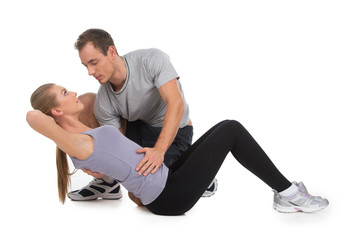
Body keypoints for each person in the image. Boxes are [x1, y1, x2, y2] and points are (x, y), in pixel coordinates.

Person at [27, 83, 329, 215]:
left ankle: (204, 183)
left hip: (164, 179)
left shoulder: (85, 133)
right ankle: (289, 195)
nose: (74, 91)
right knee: (231, 129)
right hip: (169, 195)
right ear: (55, 112)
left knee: (223, 128)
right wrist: (51, 124)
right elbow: (32, 116)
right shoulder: (75, 143)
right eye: (65, 93)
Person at [71, 28, 217, 200]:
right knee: (86, 102)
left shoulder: (150, 59)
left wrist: (159, 150)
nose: (90, 72)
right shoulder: (105, 100)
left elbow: (176, 104)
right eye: (86, 66)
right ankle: (108, 183)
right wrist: (104, 170)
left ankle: (198, 173)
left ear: (111, 52)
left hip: (175, 131)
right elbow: (116, 147)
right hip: (139, 129)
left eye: (93, 62)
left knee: (150, 193)